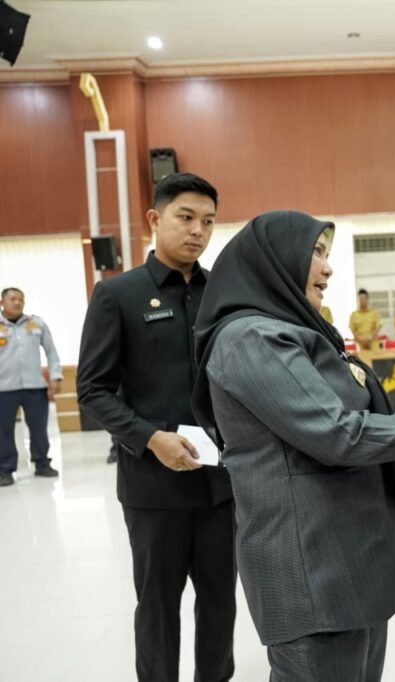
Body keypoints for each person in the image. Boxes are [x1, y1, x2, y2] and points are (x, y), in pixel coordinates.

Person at [190, 210, 395, 681]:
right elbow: (339, 434)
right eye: (315, 252)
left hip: (346, 559)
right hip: (311, 572)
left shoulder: (299, 330)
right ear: (274, 261)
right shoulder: (252, 338)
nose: (328, 268)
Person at [77, 172, 236, 682]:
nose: (197, 231)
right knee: (158, 606)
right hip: (153, 488)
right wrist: (149, 437)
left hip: (220, 485)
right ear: (154, 218)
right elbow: (93, 391)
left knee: (220, 602)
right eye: (185, 217)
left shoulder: (223, 294)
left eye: (208, 221)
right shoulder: (117, 295)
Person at [0, 287, 61, 486]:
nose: (17, 302)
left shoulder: (36, 323)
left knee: (39, 428)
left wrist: (55, 376)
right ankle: (5, 468)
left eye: (21, 299)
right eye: (12, 299)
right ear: (2, 302)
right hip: (4, 389)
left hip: (34, 386)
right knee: (3, 431)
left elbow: (51, 351)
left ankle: (42, 463)